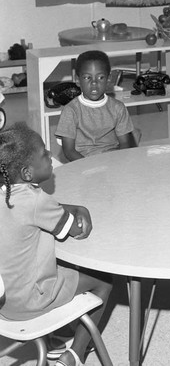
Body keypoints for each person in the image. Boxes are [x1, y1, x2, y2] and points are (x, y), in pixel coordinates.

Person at [0, 123, 112, 366]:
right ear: (27, 173)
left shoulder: (9, 195)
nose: (50, 154)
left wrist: (68, 208)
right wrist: (81, 209)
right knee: (104, 281)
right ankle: (75, 354)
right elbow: (73, 229)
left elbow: (42, 211)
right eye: (43, 153)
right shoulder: (36, 200)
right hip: (32, 300)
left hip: (4, 301)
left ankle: (58, 336)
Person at [56, 50, 136, 161]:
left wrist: (117, 163)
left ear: (109, 79)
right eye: (87, 77)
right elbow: (69, 151)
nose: (94, 83)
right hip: (82, 162)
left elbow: (125, 144)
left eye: (100, 78)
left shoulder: (118, 108)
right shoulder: (71, 110)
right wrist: (91, 166)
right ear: (78, 80)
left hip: (112, 159)